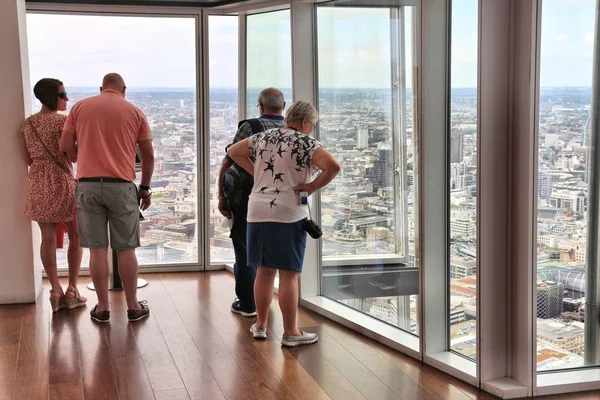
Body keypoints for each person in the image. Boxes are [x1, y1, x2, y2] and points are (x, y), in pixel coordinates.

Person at [228, 100, 340, 346]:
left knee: (264, 271)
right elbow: (333, 167)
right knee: (289, 275)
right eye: (312, 125)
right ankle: (291, 332)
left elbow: (233, 151)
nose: (312, 129)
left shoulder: (263, 137)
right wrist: (311, 186)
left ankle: (260, 325)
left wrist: (255, 171)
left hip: (257, 209)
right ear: (304, 123)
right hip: (288, 211)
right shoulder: (306, 143)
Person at [59, 73, 154, 323]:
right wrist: (144, 187)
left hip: (88, 186)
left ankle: (102, 307)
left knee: (97, 249)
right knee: (126, 248)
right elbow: (148, 155)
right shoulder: (134, 112)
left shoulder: (80, 107)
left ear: (101, 88)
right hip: (121, 186)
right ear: (123, 89)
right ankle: (133, 306)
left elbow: (65, 145)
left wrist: (84, 153)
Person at [217, 88, 286, 317]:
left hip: (249, 199)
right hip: (283, 200)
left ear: (260, 106)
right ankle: (270, 300)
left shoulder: (251, 128)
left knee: (246, 249)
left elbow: (228, 161)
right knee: (276, 252)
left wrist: (222, 196)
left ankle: (248, 303)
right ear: (283, 106)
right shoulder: (292, 130)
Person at [21, 78, 86, 313]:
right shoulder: (64, 122)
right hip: (63, 183)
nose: (67, 98)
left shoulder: (28, 124)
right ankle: (72, 289)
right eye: (63, 94)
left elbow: (27, 158)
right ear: (51, 97)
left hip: (38, 183)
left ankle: (55, 290)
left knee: (47, 239)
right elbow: (74, 156)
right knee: (76, 237)